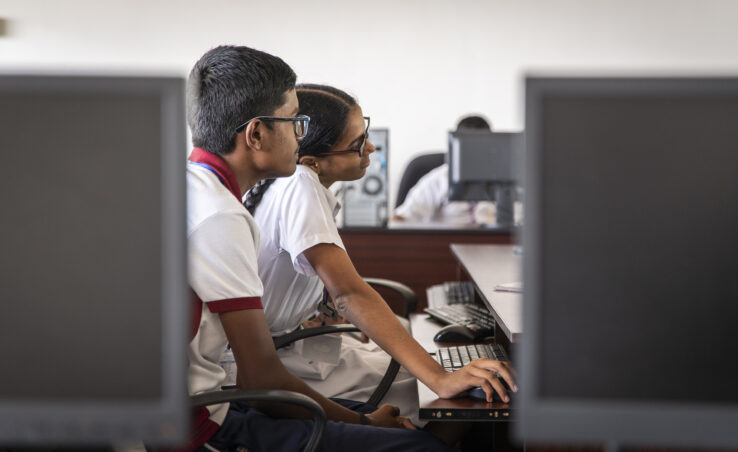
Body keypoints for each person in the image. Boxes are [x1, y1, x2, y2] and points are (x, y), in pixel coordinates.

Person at [185, 45, 451, 452]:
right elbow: (261, 381)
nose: (299, 135)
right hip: (206, 423)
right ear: (256, 133)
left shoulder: (195, 188)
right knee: (429, 443)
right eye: (294, 122)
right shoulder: (222, 216)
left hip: (207, 400)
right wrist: (365, 422)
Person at [243, 85, 516, 430]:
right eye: (358, 144)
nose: (370, 147)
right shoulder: (301, 185)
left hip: (299, 349)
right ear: (312, 161)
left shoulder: (289, 182)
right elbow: (348, 293)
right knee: (450, 398)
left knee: (436, 366)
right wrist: (441, 379)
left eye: (366, 135)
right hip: (286, 368)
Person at [392, 115, 497, 224]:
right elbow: (402, 217)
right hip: (446, 239)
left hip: (489, 239)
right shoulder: (439, 179)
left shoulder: (501, 180)